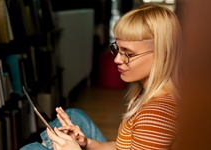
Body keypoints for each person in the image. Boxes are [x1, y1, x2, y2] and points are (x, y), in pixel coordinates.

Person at [21, 4, 182, 150]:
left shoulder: (156, 115)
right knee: (74, 116)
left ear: (163, 54)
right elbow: (122, 147)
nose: (117, 59)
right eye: (117, 49)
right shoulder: (145, 93)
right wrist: (86, 143)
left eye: (128, 54)